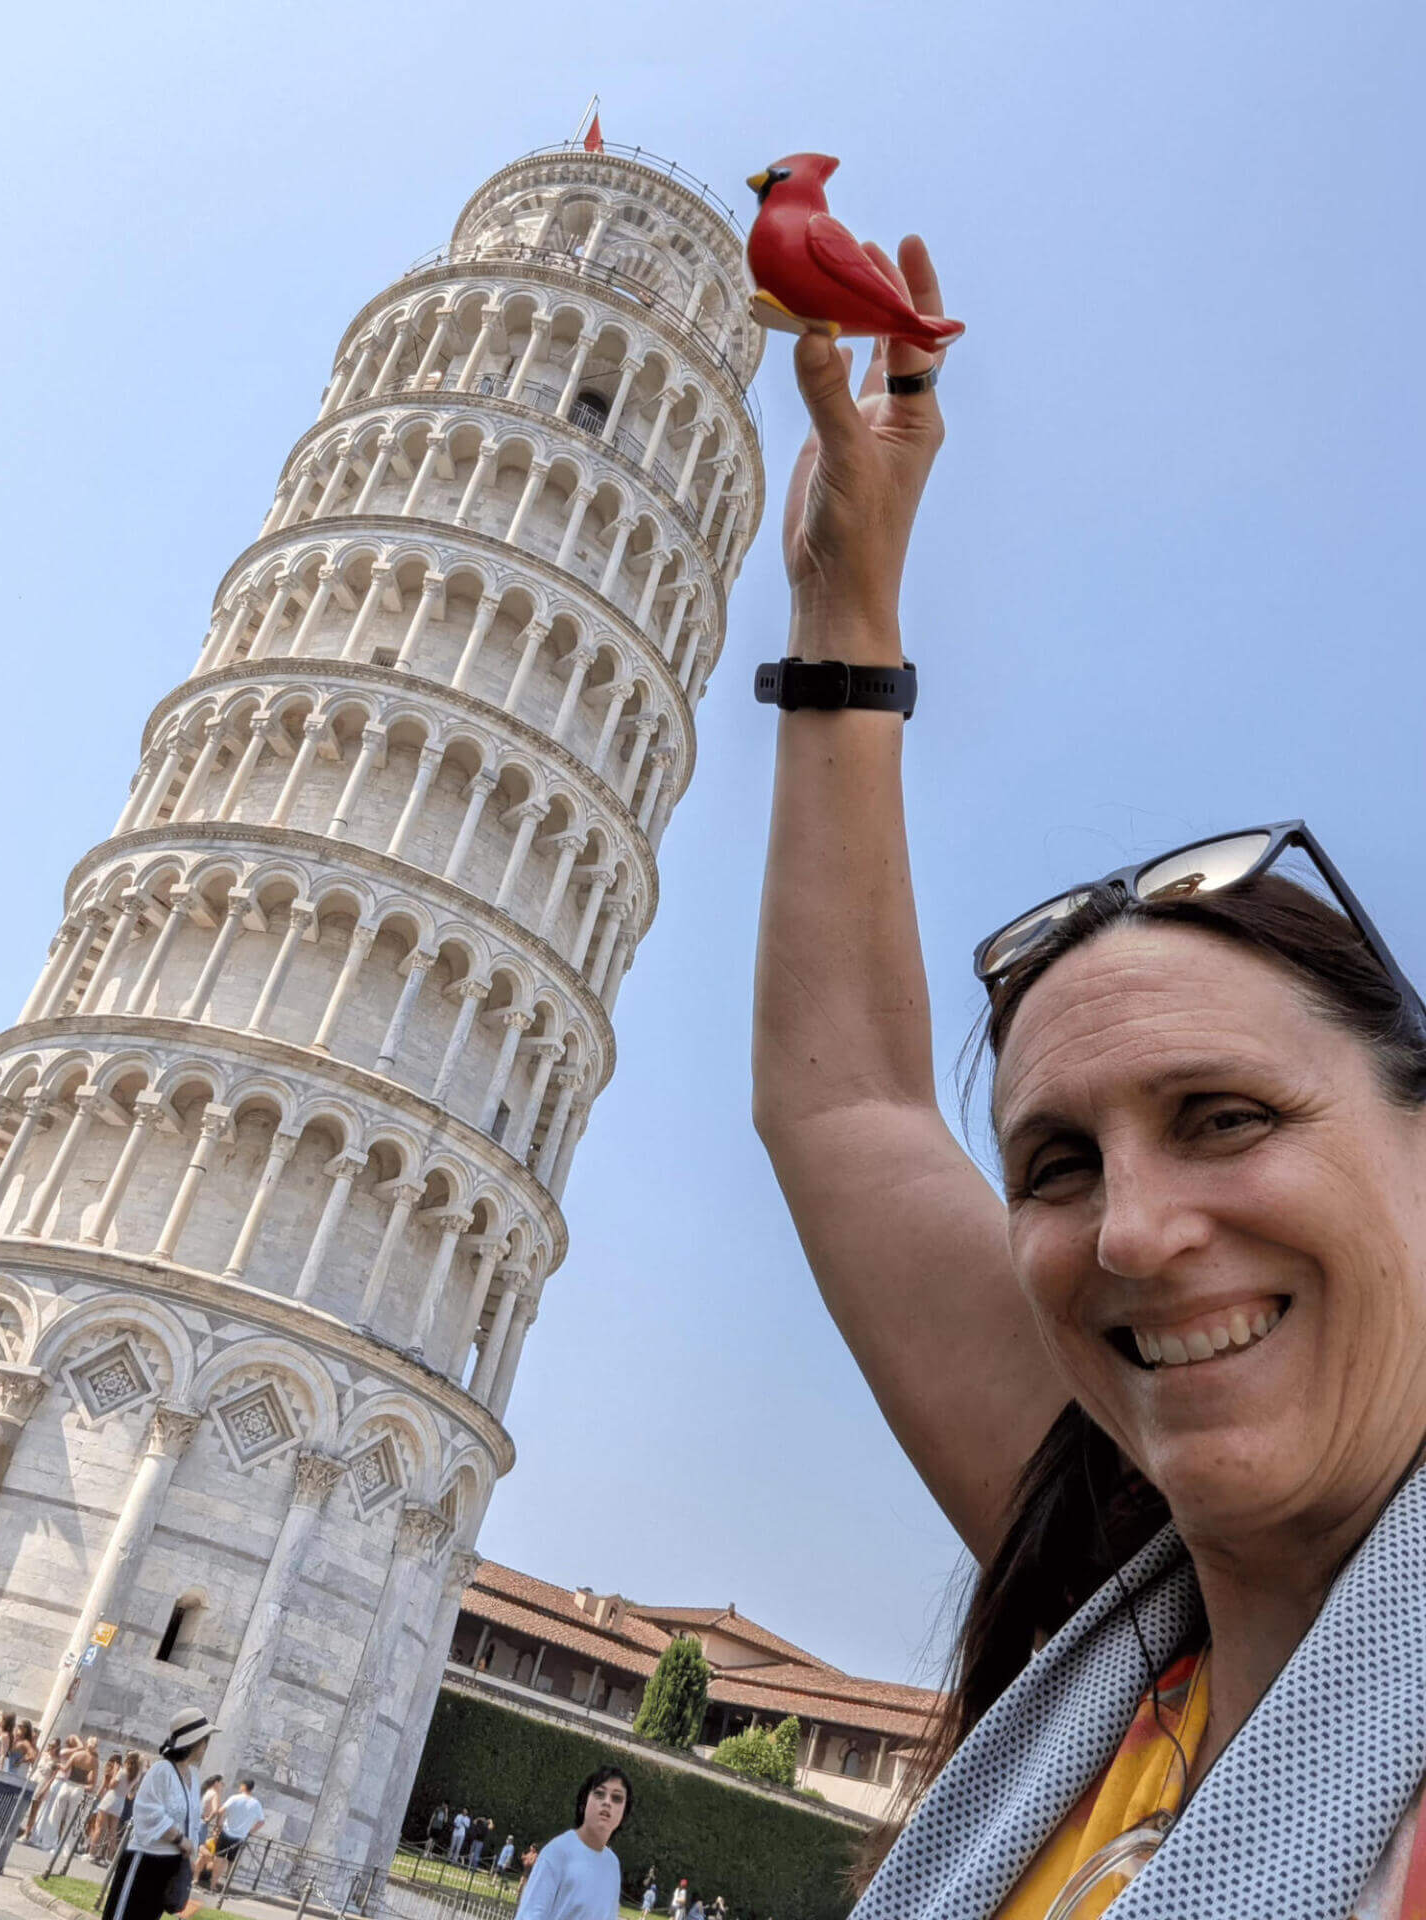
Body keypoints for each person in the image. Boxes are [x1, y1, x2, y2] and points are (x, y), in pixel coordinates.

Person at [755, 244, 1426, 1916]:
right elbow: (844, 1108)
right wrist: (847, 609)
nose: (1133, 1229)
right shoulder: (1114, 1588)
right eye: (1055, 1163)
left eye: (1228, 1117)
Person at [100, 1709, 215, 1920]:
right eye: (205, 1740)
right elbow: (148, 1811)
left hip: (170, 1864)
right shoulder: (162, 1770)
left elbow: (192, 1817)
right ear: (196, 1742)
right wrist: (180, 1839)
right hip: (145, 1859)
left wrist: (192, 1850)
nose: (206, 1747)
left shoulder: (194, 1776)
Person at [515, 1766, 630, 1920]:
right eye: (599, 1794)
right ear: (584, 1803)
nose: (607, 1802)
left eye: (617, 1798)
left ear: (624, 1812)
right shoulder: (557, 1852)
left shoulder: (612, 1864)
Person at [207, 1775, 265, 1891]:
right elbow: (261, 1822)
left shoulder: (234, 1798)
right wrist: (250, 1832)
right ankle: (226, 1886)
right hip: (240, 1837)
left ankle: (213, 1884)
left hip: (226, 1832)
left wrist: (219, 1825)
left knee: (219, 1858)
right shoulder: (256, 1804)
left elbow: (221, 1811)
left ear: (244, 1786)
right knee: (231, 1862)